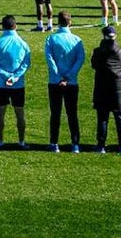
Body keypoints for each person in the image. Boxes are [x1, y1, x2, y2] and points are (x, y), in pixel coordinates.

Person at [0, 14, 31, 149]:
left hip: (0, 84)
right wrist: (14, 77)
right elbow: (26, 64)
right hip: (18, 84)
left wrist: (6, 76)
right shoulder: (23, 44)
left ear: (2, 27)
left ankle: (0, 142)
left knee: (0, 113)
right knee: (20, 114)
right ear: (15, 26)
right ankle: (21, 142)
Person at [45, 10, 85, 153]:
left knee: (55, 113)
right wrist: (69, 76)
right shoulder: (77, 40)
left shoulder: (51, 39)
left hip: (54, 82)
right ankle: (75, 144)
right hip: (71, 82)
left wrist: (59, 76)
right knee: (72, 113)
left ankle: (54, 143)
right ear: (70, 22)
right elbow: (80, 59)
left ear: (58, 22)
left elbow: (50, 60)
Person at [92, 24, 121, 155]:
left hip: (102, 87)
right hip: (119, 88)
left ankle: (101, 145)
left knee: (102, 117)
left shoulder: (98, 51)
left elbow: (94, 65)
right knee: (120, 117)